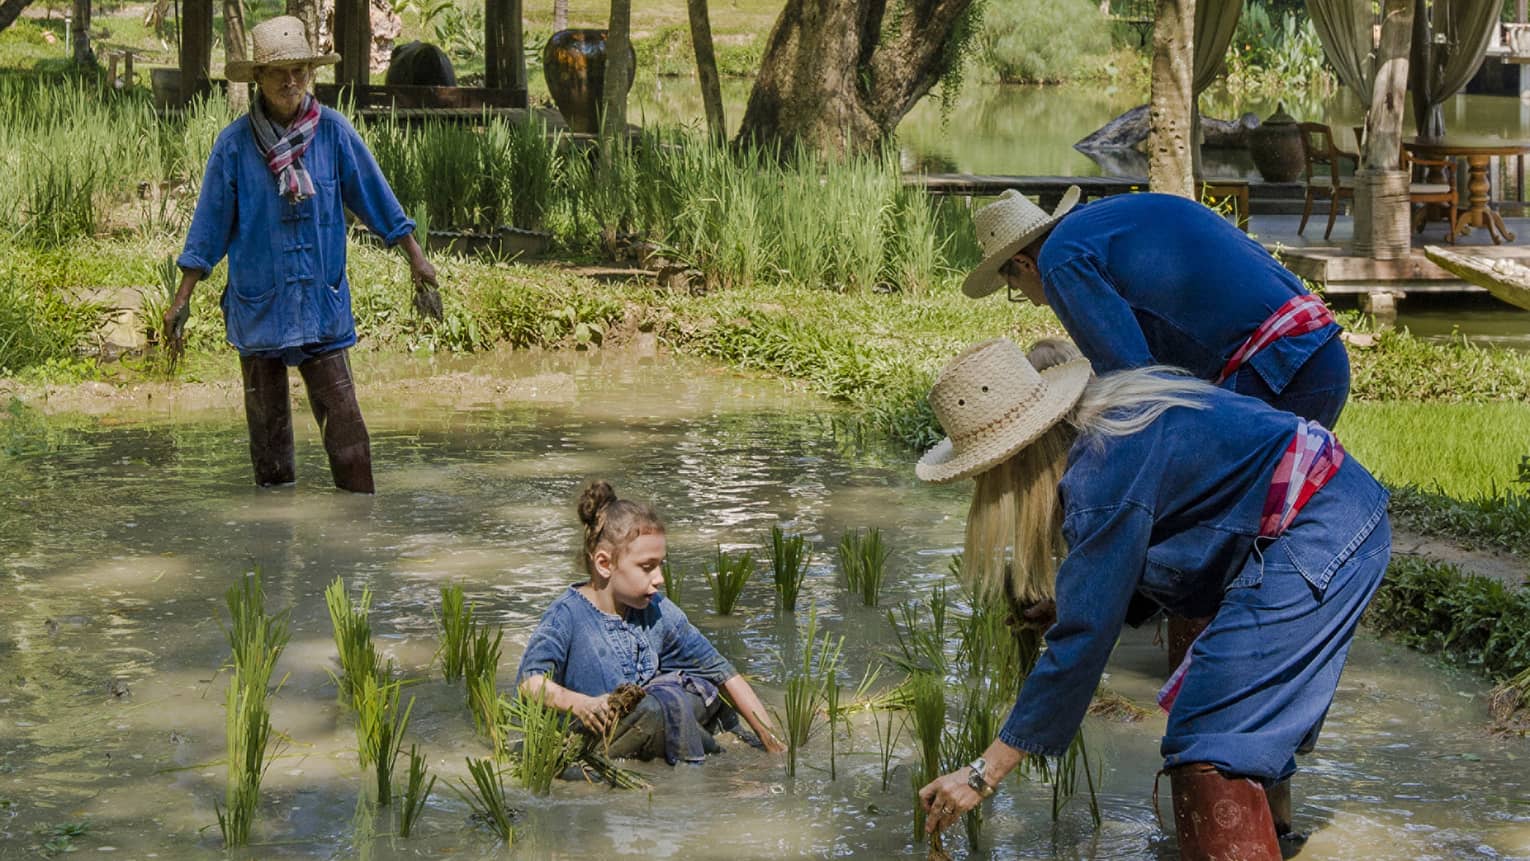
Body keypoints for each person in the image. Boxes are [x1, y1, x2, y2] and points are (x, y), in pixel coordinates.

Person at [912, 338, 1390, 860]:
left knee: (1208, 739)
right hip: (1330, 506)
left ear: (1017, 459)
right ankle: (1276, 838)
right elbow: (1163, 539)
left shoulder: (1101, 472)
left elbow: (1082, 644)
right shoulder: (1113, 422)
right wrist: (1073, 603)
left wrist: (982, 774)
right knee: (1237, 720)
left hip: (1321, 525)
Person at [164, 15, 442, 494]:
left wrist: (416, 258)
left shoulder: (332, 133)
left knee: (347, 432)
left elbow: (376, 197)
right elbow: (208, 229)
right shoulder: (233, 147)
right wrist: (181, 299)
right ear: (258, 78)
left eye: (299, 70)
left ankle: (357, 521)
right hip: (260, 305)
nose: (290, 81)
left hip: (320, 302)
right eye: (278, 72)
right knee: (269, 443)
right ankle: (274, 536)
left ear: (310, 73)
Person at [963, 190, 1350, 430]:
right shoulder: (1107, 220)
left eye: (1015, 288)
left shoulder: (1061, 260)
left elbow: (1135, 386)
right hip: (1318, 351)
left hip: (1282, 371)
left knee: (1196, 517)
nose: (1033, 300)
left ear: (1025, 263)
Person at [515, 480, 786, 764]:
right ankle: (704, 761)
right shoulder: (567, 615)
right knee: (658, 710)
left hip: (650, 720)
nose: (659, 579)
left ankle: (706, 751)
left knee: (701, 690)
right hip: (597, 737)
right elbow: (530, 683)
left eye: (661, 565)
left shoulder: (657, 610)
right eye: (647, 567)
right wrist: (582, 705)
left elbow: (723, 674)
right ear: (604, 564)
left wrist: (774, 746)